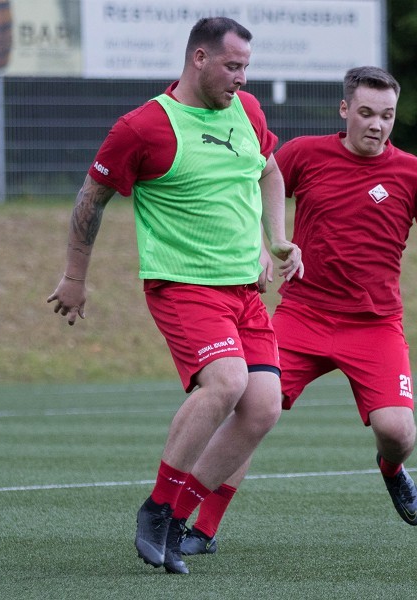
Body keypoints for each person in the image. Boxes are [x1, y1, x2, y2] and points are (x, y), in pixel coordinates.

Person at [178, 66, 417, 555]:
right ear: (345, 110)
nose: (377, 124)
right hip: (301, 316)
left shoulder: (414, 173)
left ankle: (391, 468)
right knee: (248, 413)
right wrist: (263, 246)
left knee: (395, 432)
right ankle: (201, 530)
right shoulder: (304, 154)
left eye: (388, 116)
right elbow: (253, 195)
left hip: (375, 326)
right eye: (367, 113)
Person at [46, 17, 302, 575]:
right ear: (200, 60)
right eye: (233, 67)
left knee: (261, 409)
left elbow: (269, 173)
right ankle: (157, 509)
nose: (241, 79)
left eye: (246, 68)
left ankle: (179, 517)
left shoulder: (247, 110)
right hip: (184, 286)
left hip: (244, 288)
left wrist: (275, 240)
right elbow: (92, 198)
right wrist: (74, 276)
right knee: (228, 382)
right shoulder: (143, 127)